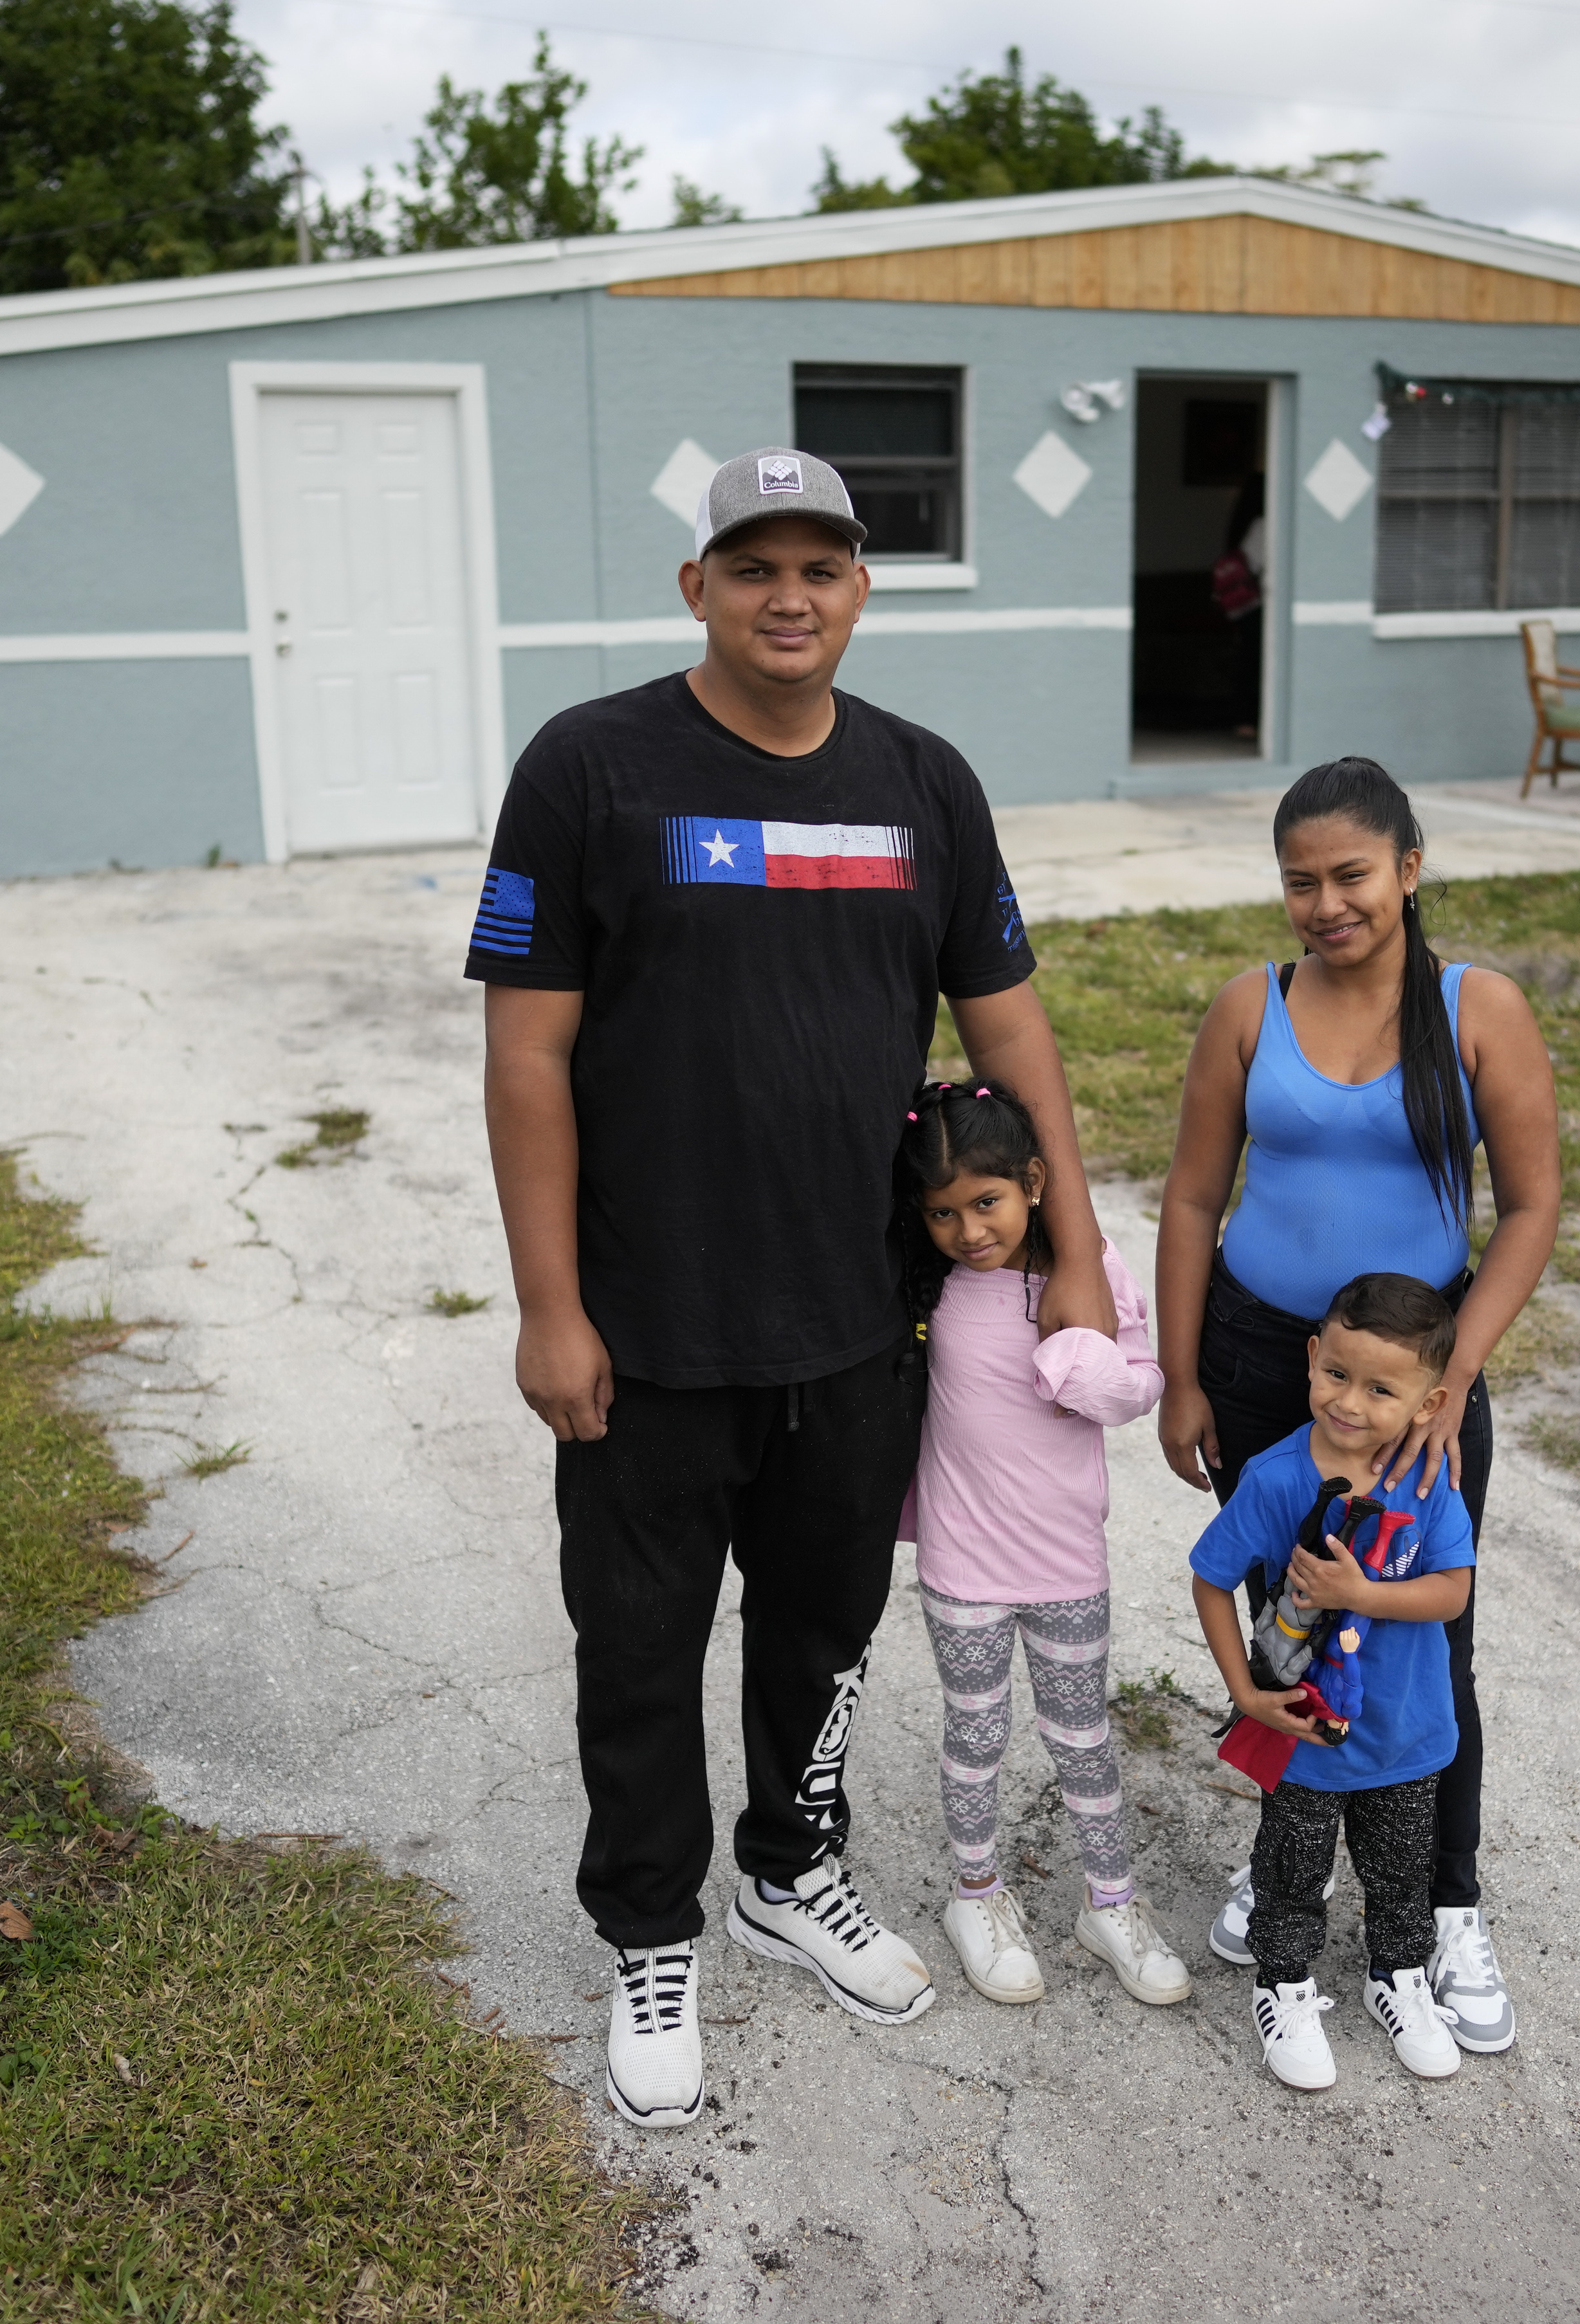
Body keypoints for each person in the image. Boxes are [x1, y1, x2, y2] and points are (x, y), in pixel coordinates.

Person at [470, 447, 1119, 2132]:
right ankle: (649, 1930)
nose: (786, 593)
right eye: (749, 563)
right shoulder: (591, 769)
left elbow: (1009, 1028)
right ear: (696, 587)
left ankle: (787, 1871)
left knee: (822, 1637)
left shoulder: (925, 785)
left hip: (863, 1323)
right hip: (651, 1322)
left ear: (859, 591)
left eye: (819, 564)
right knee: (639, 1646)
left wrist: (1082, 1254)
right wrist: (551, 1305)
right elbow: (527, 1056)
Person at [1152, 756, 1560, 2057]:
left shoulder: (1476, 1008)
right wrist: (1179, 1373)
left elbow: (1533, 1209)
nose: (1326, 904)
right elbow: (1191, 1201)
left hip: (1414, 1387)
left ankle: (1443, 1901)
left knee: (1427, 1636)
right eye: (1300, 881)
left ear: (1410, 868)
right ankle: (1286, 1870)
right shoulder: (1246, 1007)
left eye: (1351, 875)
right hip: (1264, 1359)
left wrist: (1447, 1385)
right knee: (1287, 1624)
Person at [895, 1078, 1192, 2011]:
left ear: (1033, 1182)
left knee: (1082, 1736)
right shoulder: (927, 1281)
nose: (969, 1229)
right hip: (963, 1563)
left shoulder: (1082, 1264)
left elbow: (1142, 1384)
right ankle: (976, 1897)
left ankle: (1112, 1905)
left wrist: (1088, 1368)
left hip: (1066, 1560)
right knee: (976, 1733)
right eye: (943, 1212)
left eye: (986, 1202)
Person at [1186, 1272, 1479, 2091]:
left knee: (1401, 1874)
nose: (1351, 1402)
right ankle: (1283, 1984)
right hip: (1308, 1734)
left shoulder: (1428, 1482)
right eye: (1338, 1374)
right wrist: (1246, 1695)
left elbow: (1453, 1591)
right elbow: (1211, 1579)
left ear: (1429, 1404)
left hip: (1408, 1731)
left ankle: (1401, 1979)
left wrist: (1362, 1595)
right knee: (1292, 1872)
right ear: (1312, 1359)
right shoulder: (1278, 1479)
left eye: (1383, 1389)